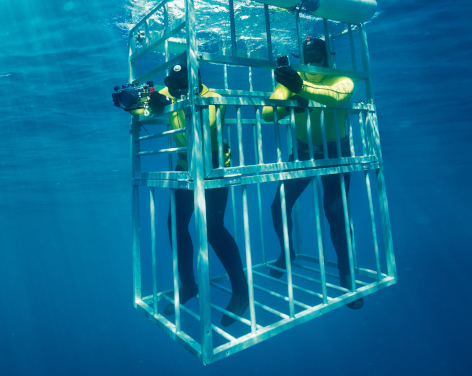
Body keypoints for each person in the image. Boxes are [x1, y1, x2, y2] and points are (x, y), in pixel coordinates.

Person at [129, 55, 250, 326]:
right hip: (185, 166)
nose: (175, 87)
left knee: (213, 229)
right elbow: (139, 110)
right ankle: (188, 285)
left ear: (196, 80)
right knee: (175, 224)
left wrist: (172, 104)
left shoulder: (213, 98)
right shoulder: (171, 91)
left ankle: (241, 292)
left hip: (213, 167)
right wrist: (140, 103)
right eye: (171, 83)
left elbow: (205, 126)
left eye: (182, 82)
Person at [261, 37, 363, 309]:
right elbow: (267, 114)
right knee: (278, 206)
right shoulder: (292, 80)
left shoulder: (342, 78)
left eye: (317, 53)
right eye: (307, 54)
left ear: (328, 55)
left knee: (335, 212)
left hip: (336, 154)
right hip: (303, 152)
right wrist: (292, 97)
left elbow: (336, 96)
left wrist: (301, 88)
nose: (313, 58)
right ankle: (286, 253)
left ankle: (346, 273)